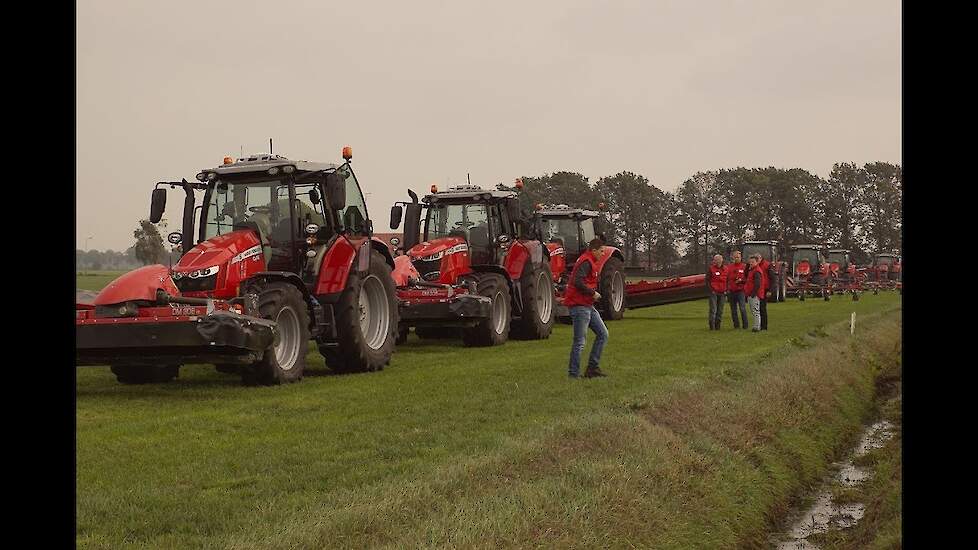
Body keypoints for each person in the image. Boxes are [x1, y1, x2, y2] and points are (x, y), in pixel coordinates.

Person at [564, 237, 610, 378]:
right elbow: (578, 281)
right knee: (580, 341)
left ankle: (592, 368)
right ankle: (573, 374)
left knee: (603, 334)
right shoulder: (586, 261)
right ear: (594, 250)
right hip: (579, 306)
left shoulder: (589, 261)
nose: (603, 254)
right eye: (601, 251)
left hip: (587, 305)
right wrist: (593, 293)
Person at [744, 254, 765, 332]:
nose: (751, 263)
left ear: (757, 262)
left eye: (753, 262)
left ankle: (756, 327)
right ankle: (756, 326)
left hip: (755, 294)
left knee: (756, 311)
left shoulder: (756, 271)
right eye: (750, 262)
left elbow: (757, 284)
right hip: (751, 293)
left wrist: (753, 293)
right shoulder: (752, 270)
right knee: (754, 311)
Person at [727, 250, 748, 330]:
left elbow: (747, 278)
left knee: (742, 308)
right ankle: (736, 325)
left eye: (738, 257)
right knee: (733, 310)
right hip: (731, 291)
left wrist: (741, 281)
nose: (736, 259)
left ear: (741, 257)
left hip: (740, 291)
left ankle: (745, 325)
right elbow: (726, 278)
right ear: (733, 257)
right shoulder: (729, 267)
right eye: (735, 257)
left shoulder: (744, 267)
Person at [707, 254, 728, 330]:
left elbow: (728, 280)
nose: (717, 261)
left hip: (723, 292)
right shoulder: (711, 269)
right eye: (715, 260)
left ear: (722, 260)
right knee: (713, 309)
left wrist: (726, 290)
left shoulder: (726, 269)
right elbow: (707, 280)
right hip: (714, 292)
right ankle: (712, 326)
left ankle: (718, 326)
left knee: (720, 310)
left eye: (718, 260)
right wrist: (711, 290)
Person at [757, 254, 772, 331]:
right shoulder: (754, 266)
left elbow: (772, 278)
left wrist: (770, 290)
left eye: (757, 259)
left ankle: (764, 326)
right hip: (757, 289)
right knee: (757, 309)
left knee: (762, 308)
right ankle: (758, 325)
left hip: (765, 289)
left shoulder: (767, 265)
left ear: (761, 258)